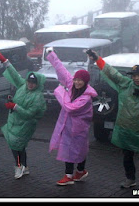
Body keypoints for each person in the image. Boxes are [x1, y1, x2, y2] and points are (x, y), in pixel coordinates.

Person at [86, 49, 139, 190]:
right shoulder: (125, 85)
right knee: (127, 157)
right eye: (134, 76)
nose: (136, 78)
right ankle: (130, 179)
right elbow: (111, 72)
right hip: (126, 131)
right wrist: (97, 59)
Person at [45, 47, 98, 186]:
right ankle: (79, 172)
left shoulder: (86, 97)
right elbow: (62, 71)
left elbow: (70, 107)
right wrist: (52, 55)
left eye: (81, 80)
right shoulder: (72, 85)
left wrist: (60, 92)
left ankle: (70, 176)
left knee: (76, 149)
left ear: (85, 82)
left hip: (77, 128)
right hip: (69, 127)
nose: (77, 82)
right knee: (74, 149)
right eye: (76, 79)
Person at [0, 50, 47, 179]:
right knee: (19, 146)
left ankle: (19, 166)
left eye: (33, 83)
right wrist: (5, 62)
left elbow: (30, 114)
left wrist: (15, 107)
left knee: (16, 145)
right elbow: (14, 75)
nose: (30, 84)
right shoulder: (23, 85)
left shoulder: (38, 97)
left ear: (37, 84)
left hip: (25, 124)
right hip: (15, 121)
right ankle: (24, 166)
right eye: (29, 82)